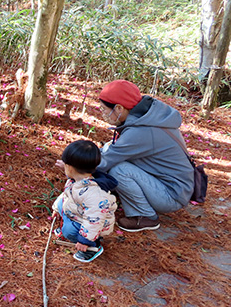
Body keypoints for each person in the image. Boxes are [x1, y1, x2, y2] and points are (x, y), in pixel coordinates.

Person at [95, 80, 194, 232]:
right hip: (174, 186)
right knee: (109, 148)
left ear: (119, 108)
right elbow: (114, 150)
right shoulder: (147, 117)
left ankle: (144, 216)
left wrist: (74, 167)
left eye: (103, 109)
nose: (102, 113)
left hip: (172, 196)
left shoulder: (140, 131)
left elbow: (106, 161)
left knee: (119, 170)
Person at [52, 140, 118, 263]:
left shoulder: (94, 194)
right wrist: (57, 207)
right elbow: (67, 195)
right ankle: (67, 225)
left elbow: (94, 219)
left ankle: (93, 246)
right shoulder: (77, 180)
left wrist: (85, 240)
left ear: (70, 168)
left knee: (68, 231)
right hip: (79, 212)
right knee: (61, 204)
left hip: (94, 224)